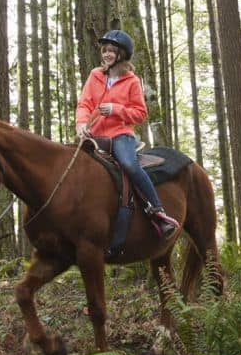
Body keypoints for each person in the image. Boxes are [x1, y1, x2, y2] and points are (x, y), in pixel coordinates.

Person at [76, 29, 179, 240]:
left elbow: (140, 114)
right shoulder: (95, 75)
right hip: (94, 136)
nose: (106, 54)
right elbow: (84, 103)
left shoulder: (132, 81)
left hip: (120, 135)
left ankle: (157, 211)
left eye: (111, 51)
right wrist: (81, 124)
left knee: (129, 165)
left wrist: (117, 109)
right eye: (105, 50)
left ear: (121, 54)